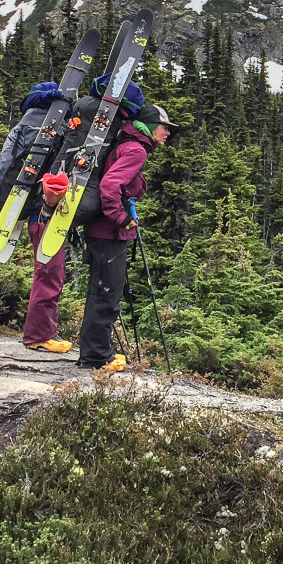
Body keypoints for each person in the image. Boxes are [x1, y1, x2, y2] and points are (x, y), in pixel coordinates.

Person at [79, 103, 176, 371]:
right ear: (149, 125)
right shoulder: (135, 150)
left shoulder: (126, 144)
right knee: (107, 293)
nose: (167, 133)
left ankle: (98, 352)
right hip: (109, 233)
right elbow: (110, 185)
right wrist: (121, 218)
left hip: (103, 232)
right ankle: (96, 357)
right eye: (164, 127)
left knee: (102, 290)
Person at [0, 82, 76, 353]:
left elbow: (4, 171)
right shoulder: (49, 133)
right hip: (42, 211)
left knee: (48, 271)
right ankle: (39, 335)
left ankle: (42, 331)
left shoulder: (21, 131)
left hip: (26, 208)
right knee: (49, 272)